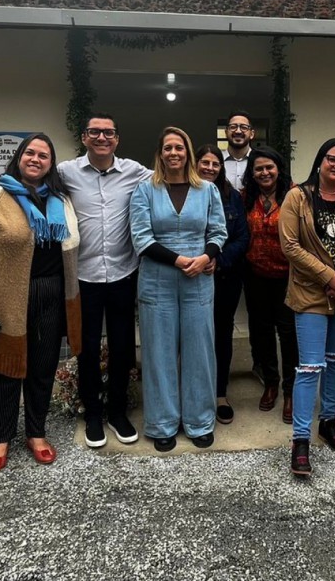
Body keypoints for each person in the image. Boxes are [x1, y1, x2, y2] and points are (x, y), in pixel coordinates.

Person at [0, 133, 81, 472]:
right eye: (30, 152)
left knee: (43, 367)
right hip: (6, 297)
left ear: (50, 163)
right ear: (19, 157)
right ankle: (2, 437)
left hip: (52, 293)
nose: (36, 159)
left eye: (44, 155)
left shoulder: (61, 200)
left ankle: (36, 433)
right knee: (5, 367)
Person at [130, 127, 227, 451]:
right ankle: (162, 423)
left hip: (198, 279)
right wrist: (180, 259)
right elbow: (141, 237)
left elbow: (218, 231)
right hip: (157, 279)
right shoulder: (145, 190)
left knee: (200, 350)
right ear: (160, 153)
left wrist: (206, 256)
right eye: (168, 147)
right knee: (158, 352)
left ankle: (199, 421)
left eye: (179, 147)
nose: (174, 153)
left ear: (188, 153)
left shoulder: (208, 190)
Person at [58, 114, 151, 448]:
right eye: (94, 132)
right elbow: (30, 179)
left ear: (117, 139)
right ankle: (93, 413)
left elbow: (174, 175)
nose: (101, 137)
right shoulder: (66, 171)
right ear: (84, 137)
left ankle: (117, 411)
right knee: (85, 348)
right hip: (83, 276)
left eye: (108, 132)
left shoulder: (134, 171)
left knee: (123, 347)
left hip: (123, 273)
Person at [279, 138, 335, 477]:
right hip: (310, 294)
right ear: (320, 160)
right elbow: (290, 246)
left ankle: (328, 422)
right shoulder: (297, 197)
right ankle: (300, 439)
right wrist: (329, 276)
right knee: (310, 367)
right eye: (333, 159)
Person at [194, 145, 251, 424]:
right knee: (192, 335)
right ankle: (194, 392)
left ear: (221, 168)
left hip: (224, 276)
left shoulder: (232, 197)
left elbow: (242, 237)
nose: (209, 168)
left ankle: (219, 393)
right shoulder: (182, 193)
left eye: (215, 164)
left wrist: (219, 260)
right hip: (190, 276)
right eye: (204, 162)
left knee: (221, 334)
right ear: (195, 164)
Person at [241, 146, 298, 423]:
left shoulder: (294, 195)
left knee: (288, 335)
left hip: (288, 278)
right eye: (259, 169)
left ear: (278, 169)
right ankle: (271, 383)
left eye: (269, 167)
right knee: (262, 332)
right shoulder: (245, 197)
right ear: (252, 173)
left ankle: (290, 391)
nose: (264, 173)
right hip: (256, 276)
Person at [222, 110, 255, 191]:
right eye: (233, 127)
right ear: (226, 133)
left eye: (244, 127)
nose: (238, 131)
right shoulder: (217, 161)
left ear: (251, 134)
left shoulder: (258, 161)